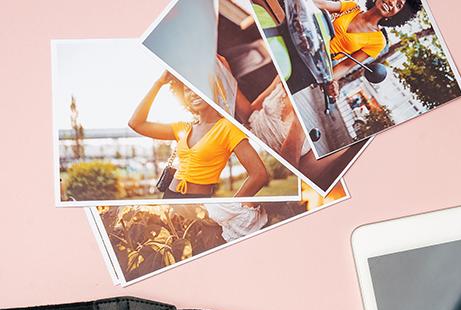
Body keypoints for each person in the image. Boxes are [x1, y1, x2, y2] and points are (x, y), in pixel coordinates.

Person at [129, 73, 269, 200]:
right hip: (170, 198)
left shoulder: (228, 128)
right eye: (187, 89)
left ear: (214, 89)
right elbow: (136, 124)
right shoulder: (184, 128)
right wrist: (158, 83)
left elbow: (259, 175)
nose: (193, 93)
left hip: (199, 204)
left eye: (199, 86)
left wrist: (230, 207)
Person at [286, 0, 421, 93]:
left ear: (398, 15)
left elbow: (347, 65)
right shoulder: (352, 7)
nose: (391, 2)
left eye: (398, 5)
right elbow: (317, 4)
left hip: (309, 67)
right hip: (296, 39)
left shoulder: (378, 41)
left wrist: (330, 82)